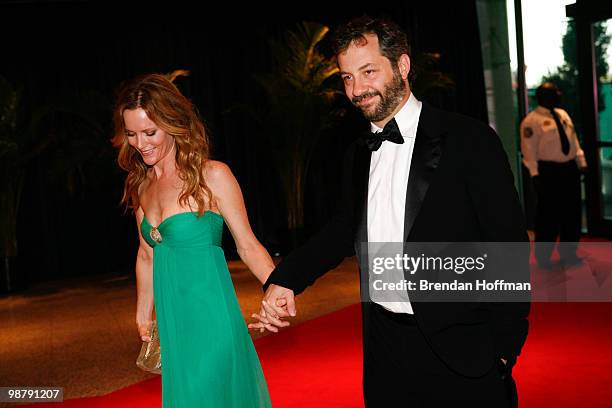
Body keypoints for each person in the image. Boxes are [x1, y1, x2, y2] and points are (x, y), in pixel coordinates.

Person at [248, 16, 530, 407]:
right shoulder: (357, 155)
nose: (357, 89)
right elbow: (342, 229)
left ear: (402, 65)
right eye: (347, 78)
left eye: (368, 72)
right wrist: (287, 279)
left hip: (461, 348)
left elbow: (507, 245)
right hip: (386, 349)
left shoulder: (469, 140)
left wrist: (503, 349)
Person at [111, 73, 272, 407]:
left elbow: (248, 245)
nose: (141, 144)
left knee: (207, 394)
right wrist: (143, 312)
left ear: (173, 123)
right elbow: (146, 254)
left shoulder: (212, 176)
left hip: (212, 319)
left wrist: (279, 287)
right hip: (172, 322)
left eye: (150, 132)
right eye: (132, 134)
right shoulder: (140, 186)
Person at [520, 82, 587, 269]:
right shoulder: (531, 121)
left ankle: (569, 253)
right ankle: (543, 257)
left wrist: (581, 162)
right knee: (548, 216)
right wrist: (535, 176)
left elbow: (573, 141)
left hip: (568, 170)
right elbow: (529, 151)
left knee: (571, 214)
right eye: (554, 92)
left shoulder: (562, 114)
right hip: (548, 172)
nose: (559, 94)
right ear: (542, 97)